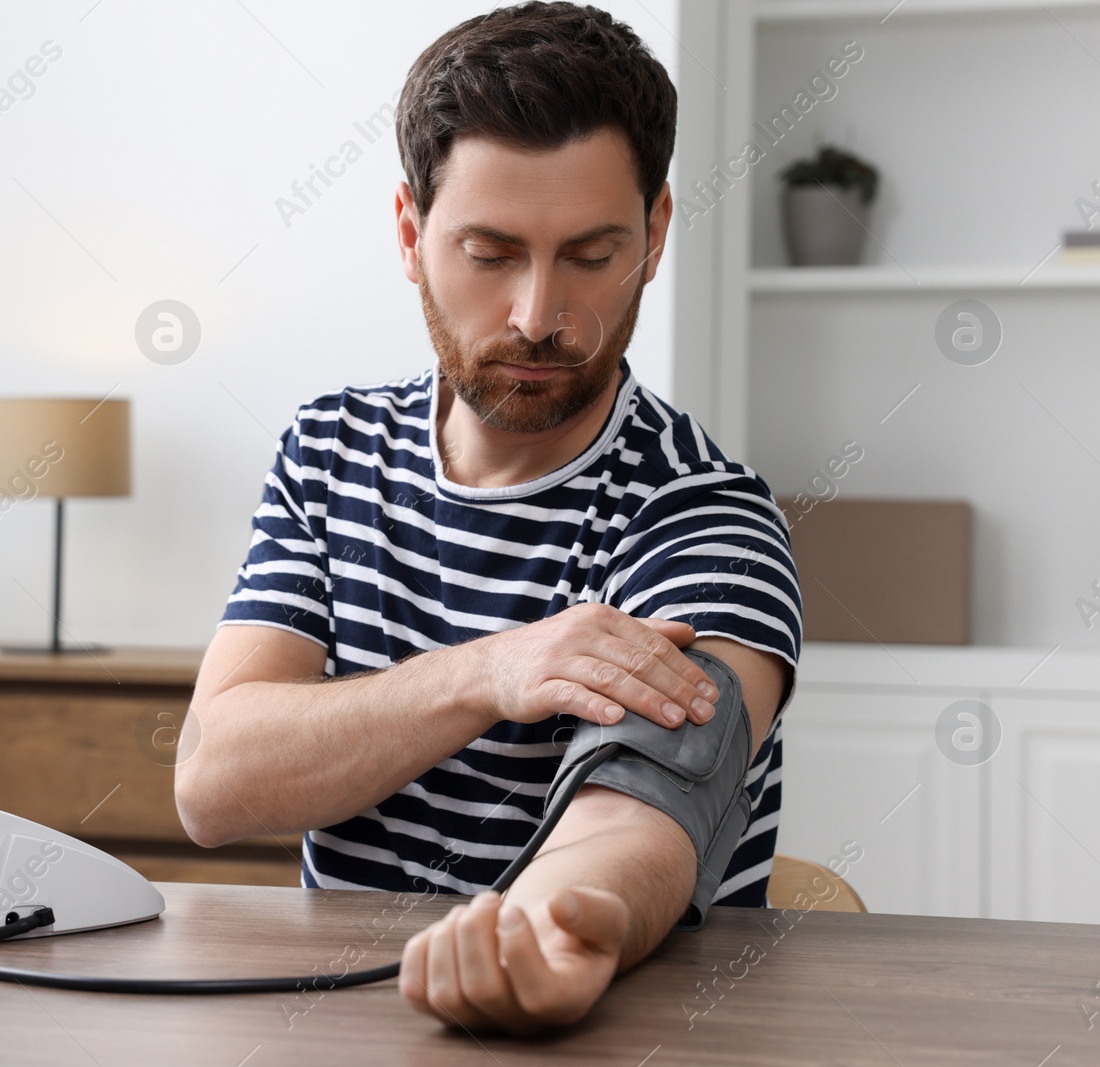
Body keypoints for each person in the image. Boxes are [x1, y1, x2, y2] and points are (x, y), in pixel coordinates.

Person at [175, 0, 802, 1033]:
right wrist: (488, 669)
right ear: (411, 234)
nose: (536, 314)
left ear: (654, 235)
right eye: (489, 251)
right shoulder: (327, 450)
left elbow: (638, 820)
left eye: (590, 255)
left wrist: (561, 934)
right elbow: (214, 779)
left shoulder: (705, 519)